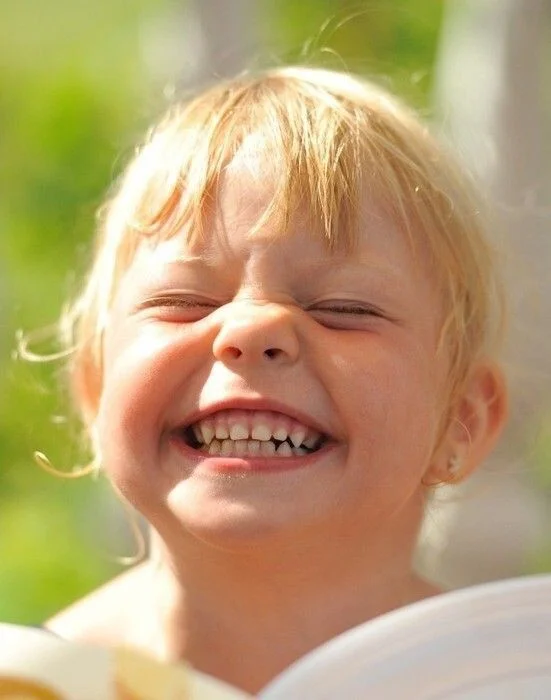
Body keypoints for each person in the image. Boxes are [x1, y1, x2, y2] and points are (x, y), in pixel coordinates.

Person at [39, 66, 508, 695]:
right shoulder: (32, 683)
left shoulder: (518, 680)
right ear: (96, 389)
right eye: (183, 302)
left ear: (461, 421)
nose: (252, 327)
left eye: (344, 308)